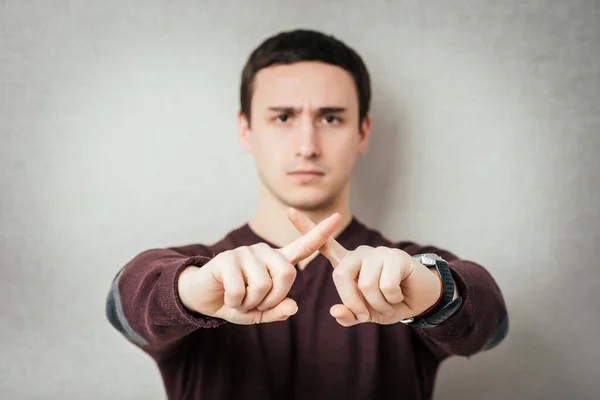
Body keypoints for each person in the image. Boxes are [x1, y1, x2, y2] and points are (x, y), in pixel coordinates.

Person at [105, 29, 509, 400]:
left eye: (330, 118)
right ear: (246, 129)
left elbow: (490, 325)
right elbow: (125, 304)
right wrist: (189, 292)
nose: (307, 146)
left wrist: (432, 294)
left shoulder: (408, 271)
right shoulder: (198, 269)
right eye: (282, 117)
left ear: (363, 132)